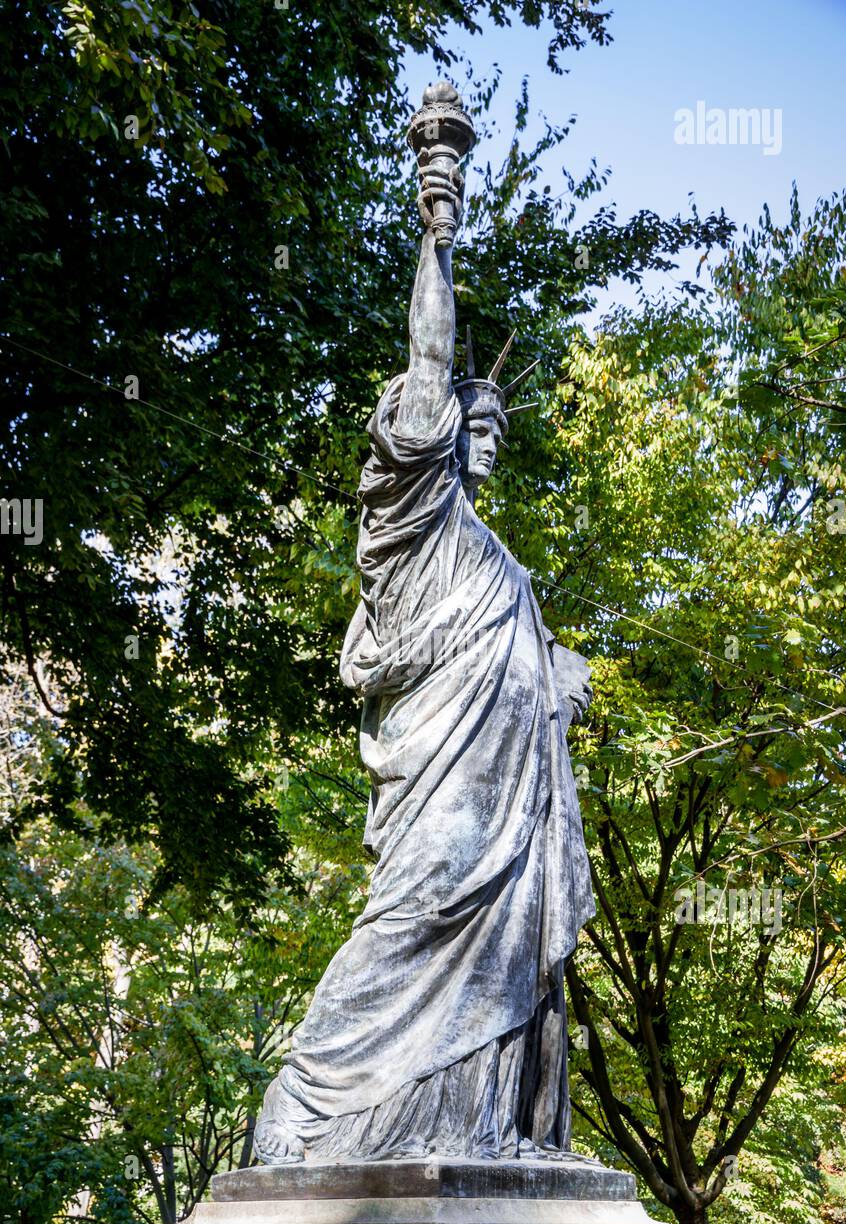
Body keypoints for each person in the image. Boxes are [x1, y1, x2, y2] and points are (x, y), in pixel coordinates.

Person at [254, 164, 594, 1165]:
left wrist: (551, 668)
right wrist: (436, 237)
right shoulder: (410, 521)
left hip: (509, 815)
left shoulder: (496, 561)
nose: (477, 435)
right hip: (441, 804)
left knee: (502, 962)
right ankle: (310, 1103)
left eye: (492, 428)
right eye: (460, 425)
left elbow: (519, 652)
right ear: (415, 446)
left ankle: (474, 1126)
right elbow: (429, 357)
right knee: (413, 909)